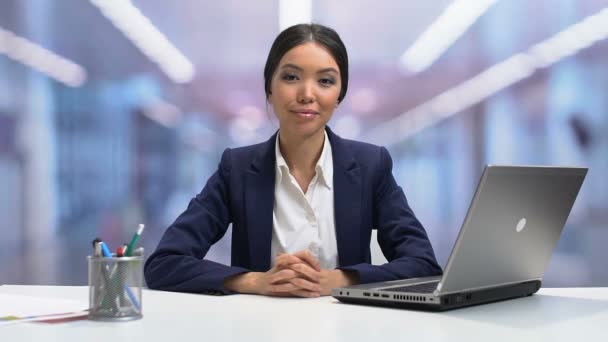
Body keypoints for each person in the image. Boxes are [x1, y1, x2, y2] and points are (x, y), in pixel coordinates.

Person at [144, 23, 442, 298]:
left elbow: (423, 265)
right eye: (291, 77)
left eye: (325, 80)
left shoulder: (370, 165)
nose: (307, 94)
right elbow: (164, 264)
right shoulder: (237, 169)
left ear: (339, 95)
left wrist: (340, 280)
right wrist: (255, 281)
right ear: (270, 89)